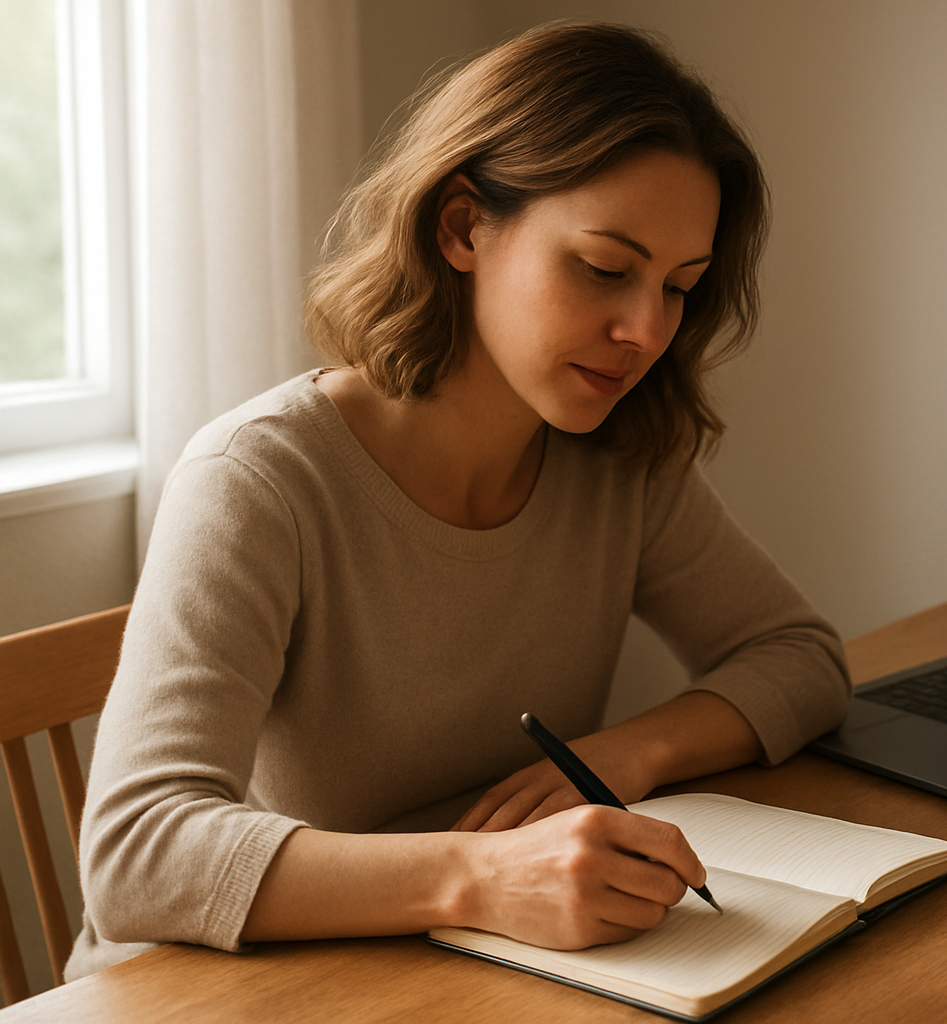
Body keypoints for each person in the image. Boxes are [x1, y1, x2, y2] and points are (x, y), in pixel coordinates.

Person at [66, 22, 849, 980]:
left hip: (463, 968)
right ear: (462, 226)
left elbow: (802, 659)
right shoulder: (260, 479)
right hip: (217, 991)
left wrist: (628, 754)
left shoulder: (617, 462)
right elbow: (137, 858)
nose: (645, 330)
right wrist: (481, 876)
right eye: (605, 267)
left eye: (679, 286)